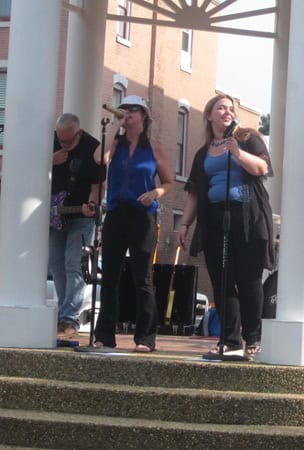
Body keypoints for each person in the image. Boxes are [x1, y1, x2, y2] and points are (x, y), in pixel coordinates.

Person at [178, 94, 275, 359]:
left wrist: (238, 153)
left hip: (248, 217)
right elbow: (194, 192)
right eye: (221, 108)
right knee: (222, 281)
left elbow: (262, 167)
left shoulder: (247, 138)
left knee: (249, 281)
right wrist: (184, 224)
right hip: (214, 219)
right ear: (209, 115)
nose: (227, 112)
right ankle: (230, 340)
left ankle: (252, 338)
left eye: (231, 108)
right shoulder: (203, 152)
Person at [92, 95, 174, 352]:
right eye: (124, 108)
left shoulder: (154, 147)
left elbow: (168, 182)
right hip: (116, 213)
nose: (127, 113)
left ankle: (145, 338)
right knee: (110, 277)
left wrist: (155, 193)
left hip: (142, 215)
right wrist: (114, 130)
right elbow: (99, 159)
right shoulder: (115, 143)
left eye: (133, 109)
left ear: (143, 115)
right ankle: (105, 335)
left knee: (143, 278)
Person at [49, 113, 103, 339]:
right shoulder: (50, 143)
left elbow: (97, 186)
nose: (63, 144)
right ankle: (64, 314)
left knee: (74, 265)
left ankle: (69, 317)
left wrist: (91, 204)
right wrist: (50, 160)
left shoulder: (92, 147)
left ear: (79, 133)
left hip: (80, 216)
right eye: (60, 140)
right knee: (56, 266)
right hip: (55, 215)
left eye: (68, 141)